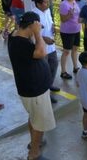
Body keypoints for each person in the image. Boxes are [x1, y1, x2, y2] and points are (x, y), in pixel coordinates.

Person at [8, 12, 55, 160]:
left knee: (34, 118)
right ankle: (34, 154)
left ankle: (35, 142)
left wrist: (37, 36)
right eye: (36, 26)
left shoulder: (16, 35)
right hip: (35, 90)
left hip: (34, 89)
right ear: (30, 26)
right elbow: (41, 52)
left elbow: (34, 49)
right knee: (40, 123)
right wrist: (38, 34)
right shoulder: (20, 43)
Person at [33, 0, 60, 103]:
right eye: (45, 2)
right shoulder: (34, 15)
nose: (48, 4)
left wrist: (53, 27)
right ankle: (45, 93)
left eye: (48, 1)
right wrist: (45, 39)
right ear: (39, 4)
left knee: (53, 65)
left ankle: (49, 85)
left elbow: (50, 22)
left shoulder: (48, 10)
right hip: (41, 47)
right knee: (43, 71)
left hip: (51, 46)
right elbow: (32, 33)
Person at [59, 0, 81, 79]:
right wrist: (69, 15)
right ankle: (63, 71)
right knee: (66, 51)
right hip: (67, 32)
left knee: (75, 49)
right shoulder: (64, 4)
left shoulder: (74, 2)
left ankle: (75, 67)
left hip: (76, 30)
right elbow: (63, 19)